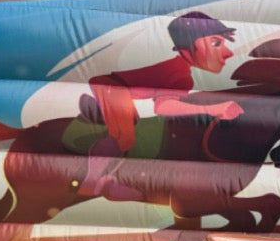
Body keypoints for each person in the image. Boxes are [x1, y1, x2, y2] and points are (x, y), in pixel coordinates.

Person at [78, 11, 243, 197]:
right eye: (216, 43)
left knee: (135, 133)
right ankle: (90, 182)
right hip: (112, 87)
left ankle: (110, 180)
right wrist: (212, 109)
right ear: (187, 47)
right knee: (123, 136)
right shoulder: (180, 74)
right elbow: (163, 107)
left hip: (119, 89)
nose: (228, 53)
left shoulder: (179, 70)